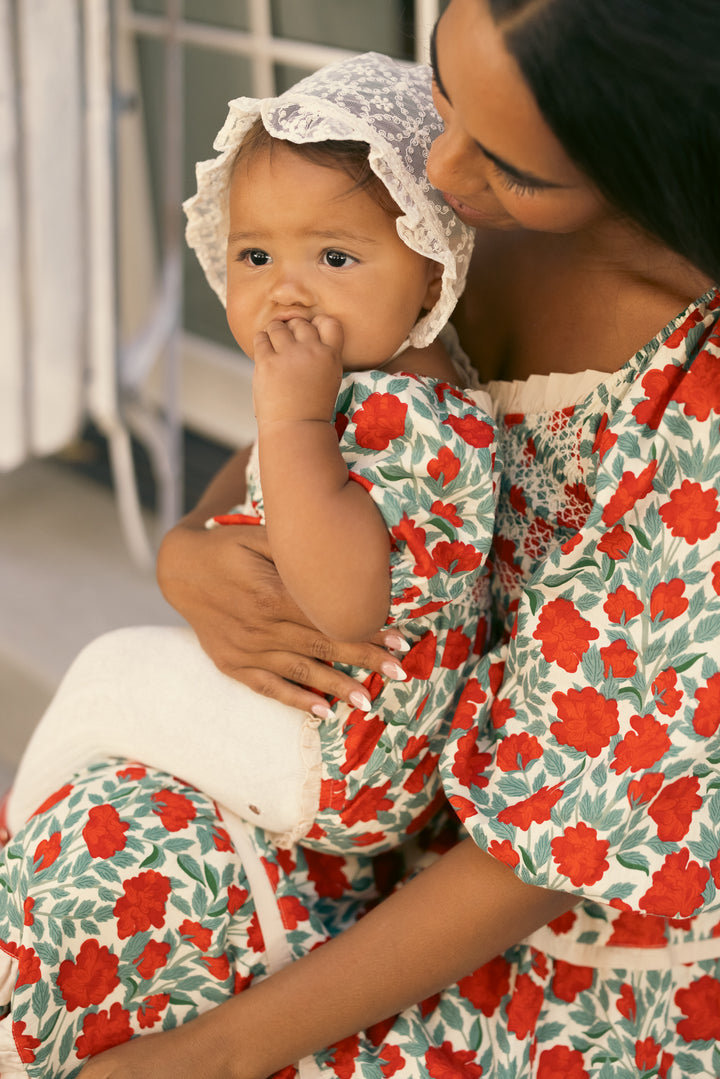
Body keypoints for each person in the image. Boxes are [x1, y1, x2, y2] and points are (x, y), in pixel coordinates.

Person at [5, 0, 720, 1076]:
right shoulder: (393, 186)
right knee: (65, 889)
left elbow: (553, 843)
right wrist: (189, 549)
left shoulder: (694, 407)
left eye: (511, 168)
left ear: (654, 154)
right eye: (444, 89)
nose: (442, 168)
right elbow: (298, 421)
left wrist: (218, 1054)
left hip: (549, 920)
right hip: (367, 791)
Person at [5, 53, 496, 861]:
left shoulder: (417, 415)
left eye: (334, 258)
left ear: (432, 267)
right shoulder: (374, 378)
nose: (285, 291)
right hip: (327, 735)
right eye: (255, 256)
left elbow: (345, 609)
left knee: (109, 669)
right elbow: (264, 465)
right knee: (112, 724)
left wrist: (291, 415)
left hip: (339, 757)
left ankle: (18, 837)